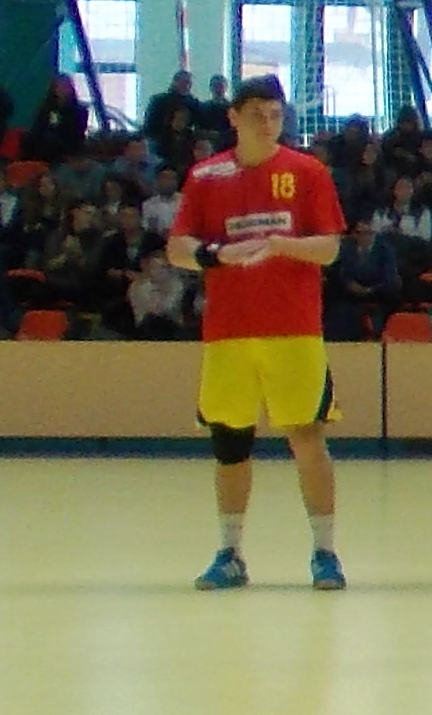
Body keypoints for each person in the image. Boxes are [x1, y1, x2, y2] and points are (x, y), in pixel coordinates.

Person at [166, 74, 349, 591]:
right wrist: (216, 255)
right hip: (229, 332)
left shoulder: (306, 171)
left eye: (274, 116)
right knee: (230, 442)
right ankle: (229, 553)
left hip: (293, 330)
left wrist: (279, 244)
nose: (267, 125)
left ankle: (325, 552)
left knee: (307, 438)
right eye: (256, 116)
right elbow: (178, 247)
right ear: (233, 118)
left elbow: (329, 247)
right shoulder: (206, 177)